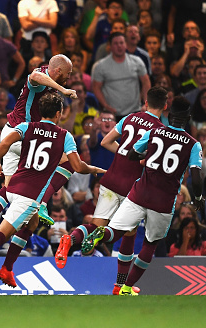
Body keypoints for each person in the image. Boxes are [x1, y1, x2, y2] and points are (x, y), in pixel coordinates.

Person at [0, 92, 103, 292]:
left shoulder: (27, 126)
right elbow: (77, 165)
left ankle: (7, 268)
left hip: (13, 185)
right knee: (2, 234)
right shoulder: (64, 136)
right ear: (59, 114)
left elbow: (5, 142)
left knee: (32, 222)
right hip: (29, 197)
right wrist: (93, 169)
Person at [76, 96, 204, 295]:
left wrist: (149, 158)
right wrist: (197, 198)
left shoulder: (155, 132)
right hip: (163, 201)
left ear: (170, 115)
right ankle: (127, 287)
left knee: (116, 230)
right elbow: (196, 178)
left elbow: (133, 153)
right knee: (150, 244)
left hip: (139, 192)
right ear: (188, 118)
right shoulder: (193, 144)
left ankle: (101, 233)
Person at [55, 86, 167, 295]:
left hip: (110, 180)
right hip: (132, 187)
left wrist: (124, 153)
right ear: (165, 106)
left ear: (145, 103)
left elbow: (106, 141)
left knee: (95, 225)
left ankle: (69, 240)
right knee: (128, 233)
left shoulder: (129, 118)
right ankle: (120, 286)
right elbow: (147, 161)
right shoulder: (159, 129)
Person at [0, 54, 77, 244]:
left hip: (15, 134)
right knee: (66, 162)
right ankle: (41, 202)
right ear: (58, 71)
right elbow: (34, 77)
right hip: (22, 136)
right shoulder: (40, 78)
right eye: (67, 74)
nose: (68, 78)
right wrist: (63, 89)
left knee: (16, 199)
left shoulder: (47, 72)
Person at [92, 32, 151, 118]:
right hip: (113, 114)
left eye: (121, 43)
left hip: (135, 111)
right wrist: (105, 106)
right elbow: (96, 87)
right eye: (115, 43)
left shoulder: (137, 61)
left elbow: (146, 82)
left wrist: (146, 103)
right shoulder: (101, 66)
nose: (119, 46)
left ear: (126, 44)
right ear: (110, 46)